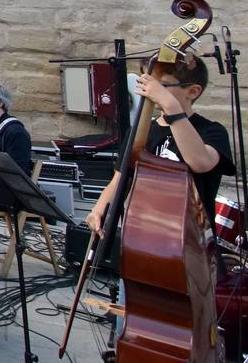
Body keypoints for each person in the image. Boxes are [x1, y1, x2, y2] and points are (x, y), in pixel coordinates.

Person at [86, 53, 233, 236]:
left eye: (161, 86)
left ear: (193, 91)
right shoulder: (141, 132)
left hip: (188, 240)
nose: (150, 90)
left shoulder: (211, 131)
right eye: (147, 82)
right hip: (141, 233)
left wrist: (171, 106)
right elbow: (120, 180)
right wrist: (99, 209)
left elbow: (200, 162)